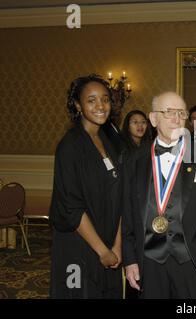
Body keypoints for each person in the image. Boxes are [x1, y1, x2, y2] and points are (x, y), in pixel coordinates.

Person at [122, 91, 196, 298]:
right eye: (169, 112)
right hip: (149, 263)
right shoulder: (133, 160)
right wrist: (130, 260)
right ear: (153, 118)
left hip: (195, 263)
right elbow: (127, 215)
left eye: (181, 113)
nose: (176, 119)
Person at [50, 74, 123, 298]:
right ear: (78, 105)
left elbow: (121, 198)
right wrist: (102, 250)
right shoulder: (70, 147)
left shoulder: (110, 142)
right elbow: (71, 207)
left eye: (105, 99)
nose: (101, 106)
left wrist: (117, 247)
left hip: (110, 244)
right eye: (91, 100)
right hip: (81, 245)